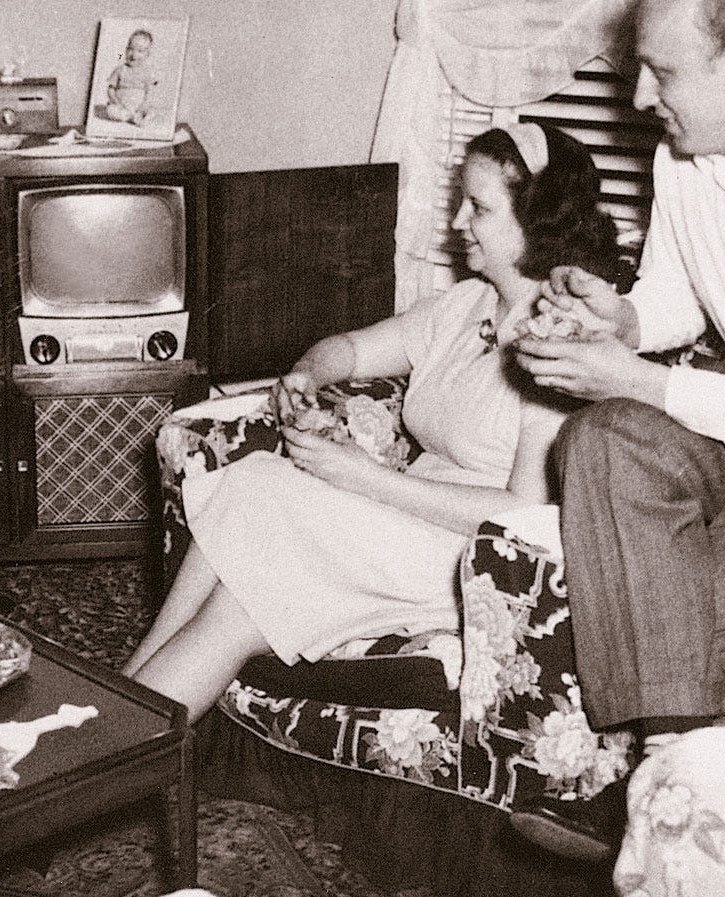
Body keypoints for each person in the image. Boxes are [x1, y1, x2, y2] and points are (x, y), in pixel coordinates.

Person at [122, 124, 624, 723]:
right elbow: (352, 350)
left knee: (251, 541)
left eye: (480, 208)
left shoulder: (561, 341)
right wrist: (306, 375)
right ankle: (119, 712)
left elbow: (524, 516)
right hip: (402, 523)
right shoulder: (467, 305)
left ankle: (115, 731)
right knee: (247, 524)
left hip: (472, 562)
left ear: (538, 222)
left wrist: (363, 478)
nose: (459, 221)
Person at [510, 0, 725, 863]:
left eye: (661, 71)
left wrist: (641, 378)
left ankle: (663, 796)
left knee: (681, 624)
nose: (636, 95)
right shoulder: (683, 159)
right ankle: (677, 786)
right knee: (600, 437)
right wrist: (619, 320)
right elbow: (674, 296)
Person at [105, 29, 158, 125]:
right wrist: (115, 101)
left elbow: (150, 91)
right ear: (126, 50)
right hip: (121, 107)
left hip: (140, 107)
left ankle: (140, 117)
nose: (134, 54)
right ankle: (131, 117)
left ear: (147, 54)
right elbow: (111, 88)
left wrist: (144, 106)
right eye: (130, 49)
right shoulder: (120, 69)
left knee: (152, 111)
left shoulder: (147, 72)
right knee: (110, 110)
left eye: (140, 51)